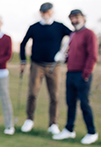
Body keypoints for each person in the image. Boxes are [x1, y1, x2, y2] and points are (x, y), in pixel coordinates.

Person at [20, 2, 72, 134]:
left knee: (54, 96)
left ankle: (53, 124)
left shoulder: (59, 26)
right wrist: (22, 60)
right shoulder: (34, 27)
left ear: (52, 12)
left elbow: (74, 37)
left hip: (53, 66)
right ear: (40, 13)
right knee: (32, 93)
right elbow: (23, 43)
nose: (45, 15)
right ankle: (29, 119)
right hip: (37, 64)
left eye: (48, 12)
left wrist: (64, 54)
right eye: (43, 12)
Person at [53, 9, 99, 144]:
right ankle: (69, 130)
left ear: (83, 18)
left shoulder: (89, 34)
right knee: (70, 103)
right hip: (70, 73)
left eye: (76, 18)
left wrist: (86, 73)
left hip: (82, 74)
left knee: (84, 104)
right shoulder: (73, 35)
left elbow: (93, 56)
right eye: (72, 18)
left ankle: (92, 132)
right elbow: (72, 54)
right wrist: (64, 59)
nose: (74, 21)